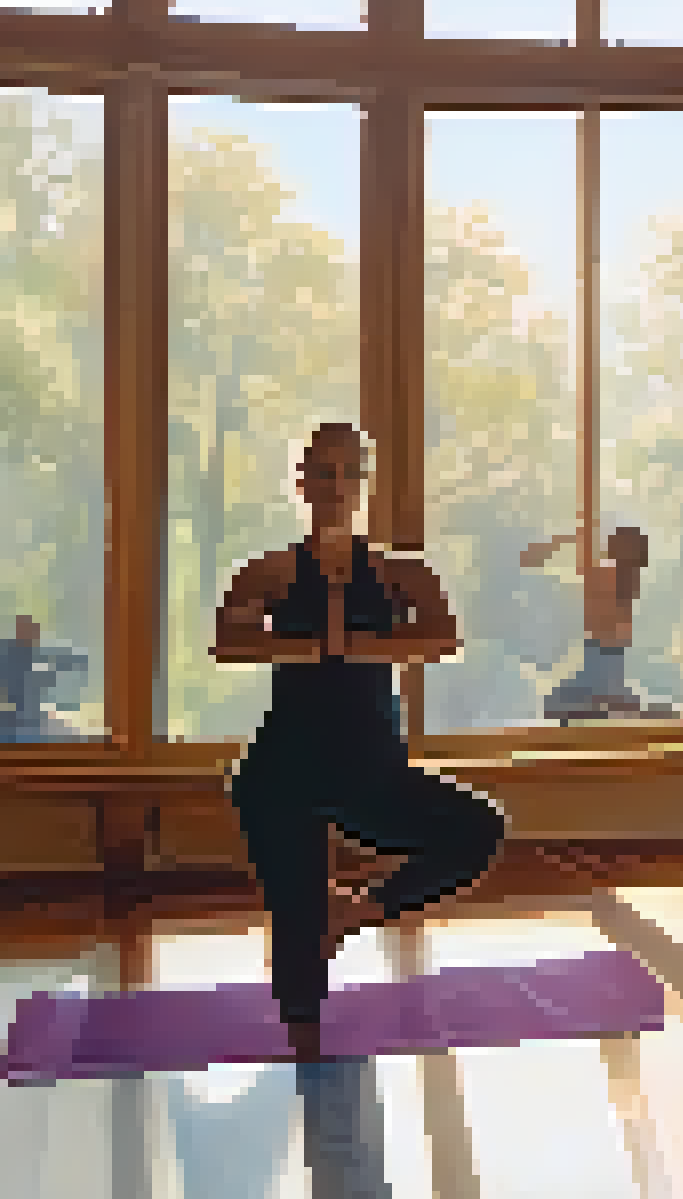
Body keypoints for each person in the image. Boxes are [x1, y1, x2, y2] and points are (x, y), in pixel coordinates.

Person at [212, 422, 508, 1062]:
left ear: (365, 482)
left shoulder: (403, 574)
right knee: (297, 942)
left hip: (371, 772)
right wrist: (318, 643)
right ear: (302, 482)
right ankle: (308, 1064)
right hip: (280, 775)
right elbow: (228, 643)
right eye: (323, 472)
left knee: (478, 830)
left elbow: (442, 640)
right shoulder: (267, 572)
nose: (336, 486)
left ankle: (354, 910)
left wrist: (354, 638)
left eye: (349, 473)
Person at [523, 523, 661, 721]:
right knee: (567, 703)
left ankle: (617, 712)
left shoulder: (612, 577)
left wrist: (570, 538)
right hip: (603, 657)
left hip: (603, 657)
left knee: (561, 704)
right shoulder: (622, 578)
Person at [0, 616, 89, 742]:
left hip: (28, 721)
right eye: (29, 631)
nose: (34, 637)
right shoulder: (10, 653)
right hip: (17, 721)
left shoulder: (30, 654)